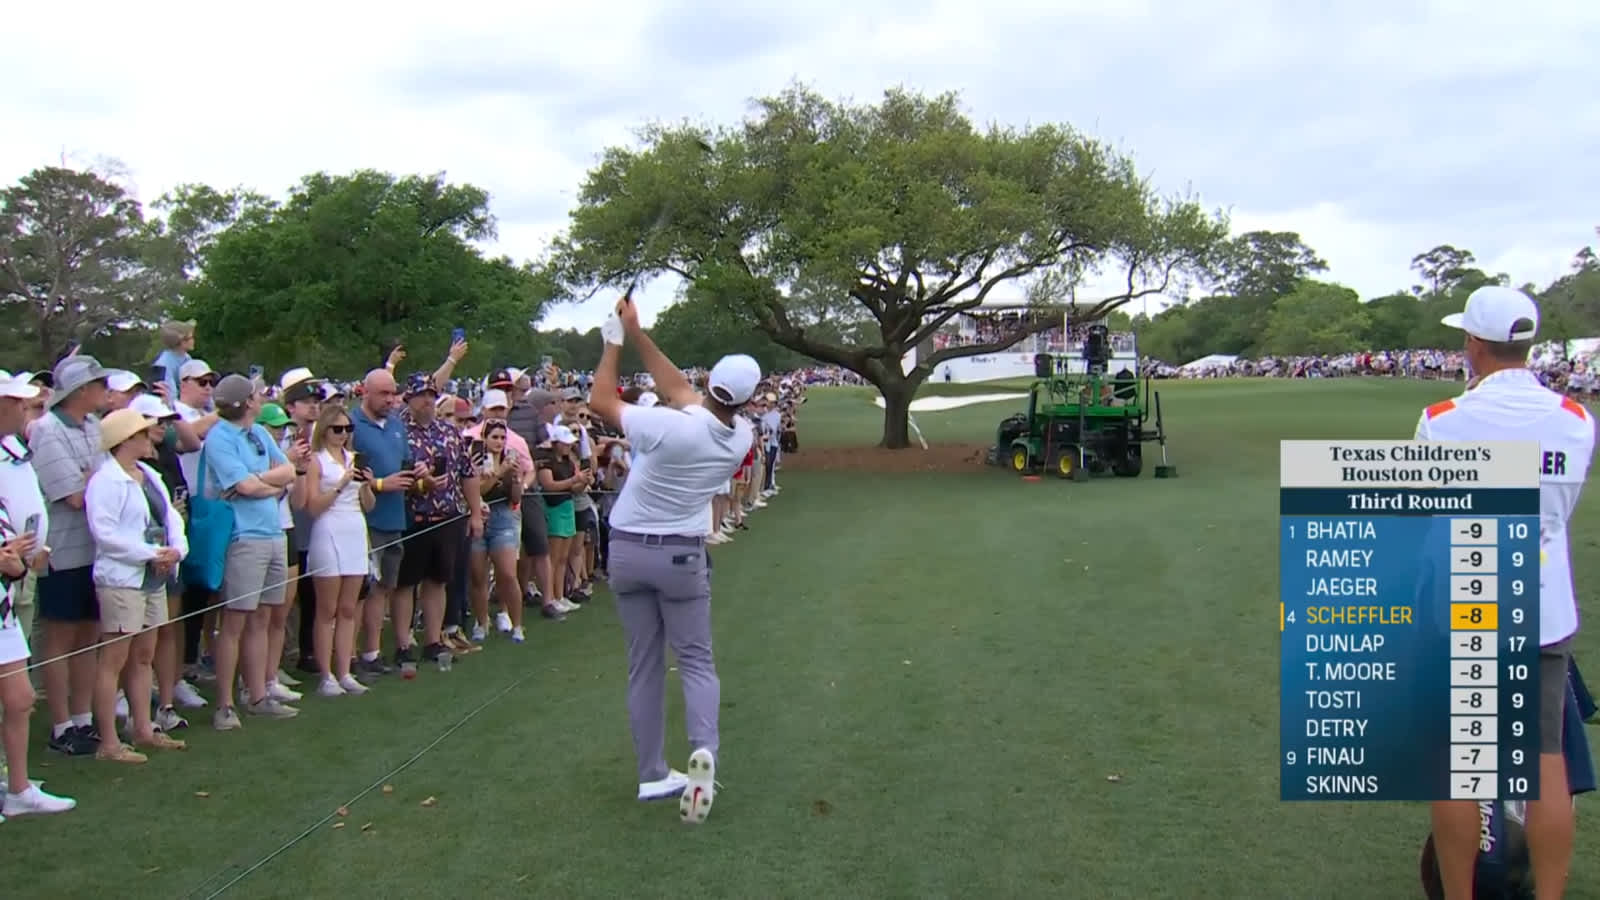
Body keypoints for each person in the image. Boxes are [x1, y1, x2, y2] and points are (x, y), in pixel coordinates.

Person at [1415, 285, 1595, 899]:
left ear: (1473, 343)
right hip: (1542, 608)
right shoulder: (1577, 421)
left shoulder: (1443, 421)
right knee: (1546, 762)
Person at [588, 295, 757, 824]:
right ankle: (704, 751)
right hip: (682, 555)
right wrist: (637, 332)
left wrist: (614, 341)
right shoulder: (741, 435)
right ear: (746, 400)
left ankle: (651, 773)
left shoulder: (666, 425)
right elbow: (679, 390)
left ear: (709, 384)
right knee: (697, 660)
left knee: (644, 665)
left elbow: (600, 400)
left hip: (627, 551)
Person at [83, 408, 189, 762]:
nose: (150, 437)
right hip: (122, 579)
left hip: (153, 576)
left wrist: (176, 550)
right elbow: (105, 534)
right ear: (126, 440)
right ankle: (109, 742)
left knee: (144, 655)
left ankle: (143, 728)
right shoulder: (105, 481)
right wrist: (150, 553)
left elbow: (171, 517)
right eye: (143, 433)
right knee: (114, 659)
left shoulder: (148, 474)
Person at [0, 372, 75, 818]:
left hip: (6, 595)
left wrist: (25, 555)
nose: (25, 408)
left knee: (20, 697)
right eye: (16, 402)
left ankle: (19, 789)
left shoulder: (15, 451)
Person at [300, 404, 375, 696]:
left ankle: (344, 671)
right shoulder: (317, 461)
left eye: (347, 429)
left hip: (355, 529)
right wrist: (341, 485)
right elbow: (312, 506)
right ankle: (326, 674)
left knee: (348, 608)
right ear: (325, 430)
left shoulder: (353, 458)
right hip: (328, 529)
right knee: (327, 609)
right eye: (337, 429)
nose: (343, 434)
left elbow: (368, 505)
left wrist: (366, 485)